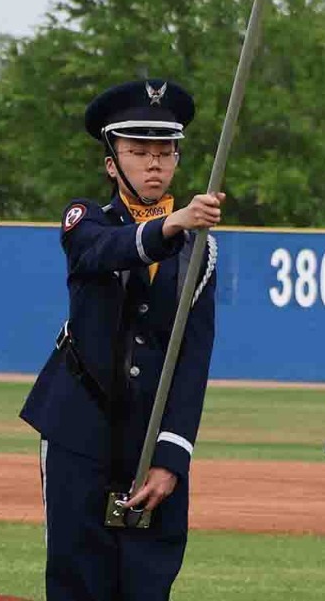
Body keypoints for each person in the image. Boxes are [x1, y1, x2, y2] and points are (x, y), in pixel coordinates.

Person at [21, 78, 223, 601]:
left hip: (150, 435)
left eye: (166, 152)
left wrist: (172, 455)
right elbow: (104, 252)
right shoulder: (83, 220)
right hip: (78, 427)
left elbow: (193, 359)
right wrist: (173, 224)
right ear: (112, 162)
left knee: (148, 580)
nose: (154, 164)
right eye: (138, 152)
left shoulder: (202, 252)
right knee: (76, 576)